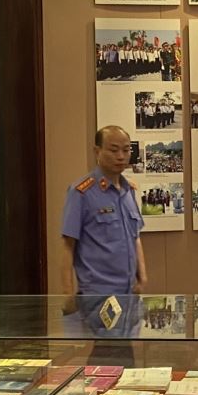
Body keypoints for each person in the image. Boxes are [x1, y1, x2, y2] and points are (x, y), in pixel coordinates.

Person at [60, 125, 147, 299]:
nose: (121, 156)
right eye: (114, 150)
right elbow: (68, 245)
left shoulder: (128, 190)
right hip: (97, 295)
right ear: (97, 151)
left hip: (129, 293)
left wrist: (142, 277)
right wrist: (67, 294)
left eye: (126, 150)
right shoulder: (81, 192)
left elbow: (135, 237)